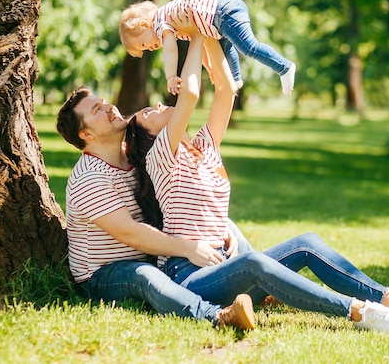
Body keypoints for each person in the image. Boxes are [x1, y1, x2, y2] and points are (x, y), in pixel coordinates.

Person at [125, 28, 389, 333]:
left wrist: (207, 29)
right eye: (147, 114)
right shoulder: (160, 160)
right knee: (252, 261)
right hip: (191, 276)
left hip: (225, 268)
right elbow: (191, 94)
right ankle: (360, 312)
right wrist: (193, 31)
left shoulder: (204, 148)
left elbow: (226, 89)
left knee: (306, 243)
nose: (155, 106)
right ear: (147, 138)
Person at [56, 83, 256, 328]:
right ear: (86, 134)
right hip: (103, 274)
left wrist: (216, 226)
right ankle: (216, 316)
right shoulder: (89, 177)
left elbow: (175, 198)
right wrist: (188, 248)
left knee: (228, 226)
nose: (110, 107)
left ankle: (262, 290)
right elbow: (130, 232)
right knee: (143, 275)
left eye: (105, 101)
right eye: (97, 109)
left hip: (150, 254)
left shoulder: (136, 154)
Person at [118, 0, 296, 95]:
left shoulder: (161, 22)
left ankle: (284, 67)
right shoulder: (173, 26)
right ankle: (235, 81)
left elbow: (171, 51)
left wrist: (171, 76)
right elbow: (201, 48)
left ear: (144, 24)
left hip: (222, 11)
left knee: (248, 47)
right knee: (227, 49)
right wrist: (211, 69)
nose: (150, 48)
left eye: (144, 44)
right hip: (218, 19)